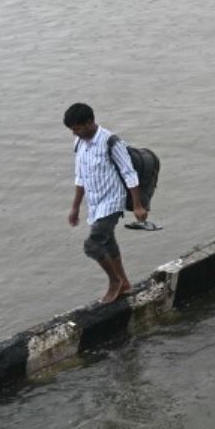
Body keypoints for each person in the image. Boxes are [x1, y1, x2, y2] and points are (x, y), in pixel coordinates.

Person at [65, 102, 147, 305]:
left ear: (90, 122)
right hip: (95, 202)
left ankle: (115, 281)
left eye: (78, 128)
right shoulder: (79, 143)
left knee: (92, 245)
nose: (75, 134)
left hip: (112, 201)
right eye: (72, 130)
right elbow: (80, 177)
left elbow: (129, 173)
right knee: (108, 242)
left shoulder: (111, 142)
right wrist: (75, 207)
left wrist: (137, 205)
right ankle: (125, 283)